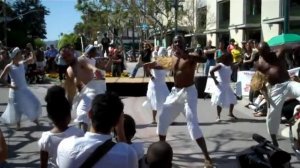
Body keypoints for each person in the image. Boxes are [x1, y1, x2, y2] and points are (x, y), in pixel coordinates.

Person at [157, 35, 212, 167]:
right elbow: (160, 64)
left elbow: (204, 59)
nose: (177, 43)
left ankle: (207, 157)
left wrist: (187, 55)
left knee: (193, 124)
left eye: (179, 41)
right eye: (175, 41)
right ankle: (161, 151)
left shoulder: (190, 56)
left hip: (189, 93)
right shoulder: (173, 57)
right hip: (175, 93)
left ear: (184, 43)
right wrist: (149, 65)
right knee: (163, 118)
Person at [56, 92, 138, 168]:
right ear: (117, 122)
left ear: (90, 114)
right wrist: (120, 129)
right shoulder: (128, 154)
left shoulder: (65, 146)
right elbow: (125, 151)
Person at [255, 42, 300, 146]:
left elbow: (289, 46)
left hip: (288, 83)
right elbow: (259, 81)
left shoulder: (278, 53)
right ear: (260, 53)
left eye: (267, 51)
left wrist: (293, 50)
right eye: (262, 53)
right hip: (275, 88)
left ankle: (297, 114)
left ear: (269, 49)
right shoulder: (259, 64)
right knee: (272, 114)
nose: (265, 55)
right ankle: (274, 139)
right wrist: (265, 95)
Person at [61, 45, 107, 133]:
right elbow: (71, 91)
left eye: (69, 55)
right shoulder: (68, 71)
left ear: (73, 52)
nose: (67, 58)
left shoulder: (80, 61)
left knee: (82, 112)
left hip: (93, 89)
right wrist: (69, 105)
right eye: (64, 57)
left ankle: (83, 137)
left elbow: (89, 66)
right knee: (89, 117)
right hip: (82, 94)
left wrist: (94, 70)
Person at [38, 86, 84, 168]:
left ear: (49, 116)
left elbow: (43, 165)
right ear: (69, 115)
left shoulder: (46, 139)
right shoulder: (78, 133)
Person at [0, 47, 41, 129]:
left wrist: (31, 48)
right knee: (18, 108)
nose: (21, 55)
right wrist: (10, 86)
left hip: (24, 89)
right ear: (15, 56)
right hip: (15, 91)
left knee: (34, 102)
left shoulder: (22, 63)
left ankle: (34, 118)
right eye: (19, 54)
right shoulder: (9, 66)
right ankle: (18, 124)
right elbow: (1, 78)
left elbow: (33, 59)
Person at [210, 53, 238, 122]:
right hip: (220, 85)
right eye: (230, 59)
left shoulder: (230, 65)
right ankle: (218, 116)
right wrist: (215, 80)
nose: (231, 60)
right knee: (220, 100)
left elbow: (235, 67)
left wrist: (239, 63)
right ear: (226, 59)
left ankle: (230, 113)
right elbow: (211, 71)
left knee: (232, 98)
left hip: (227, 85)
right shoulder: (220, 65)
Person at [143, 53, 169, 125]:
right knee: (155, 101)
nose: (164, 57)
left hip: (162, 84)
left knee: (168, 100)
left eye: (165, 55)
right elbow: (145, 65)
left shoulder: (166, 62)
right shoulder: (155, 63)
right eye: (162, 55)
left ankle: (167, 118)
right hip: (155, 85)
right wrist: (150, 75)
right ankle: (154, 119)